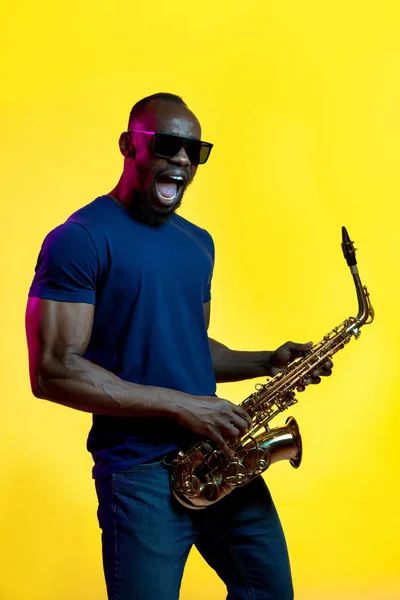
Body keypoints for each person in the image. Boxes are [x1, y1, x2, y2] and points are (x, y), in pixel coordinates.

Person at [25, 92, 333, 600]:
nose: (184, 160)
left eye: (197, 150)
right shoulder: (79, 238)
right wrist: (184, 406)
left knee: (270, 592)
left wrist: (267, 361)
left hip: (219, 458)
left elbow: (188, 346)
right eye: (168, 145)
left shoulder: (198, 242)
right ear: (129, 146)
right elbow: (53, 371)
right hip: (141, 473)